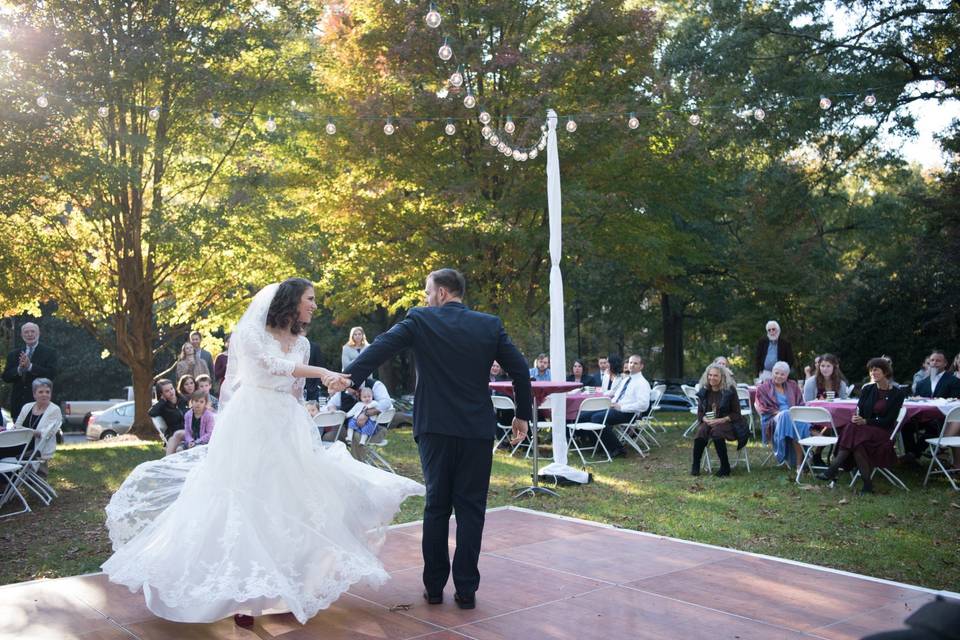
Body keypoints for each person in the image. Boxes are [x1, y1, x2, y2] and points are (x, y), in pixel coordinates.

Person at [102, 278, 424, 626]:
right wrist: (323, 372)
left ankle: (286, 586)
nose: (314, 306)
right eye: (310, 299)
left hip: (287, 424)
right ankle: (243, 596)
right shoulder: (251, 334)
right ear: (291, 301)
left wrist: (308, 414)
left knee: (289, 503)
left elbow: (296, 389)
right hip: (251, 422)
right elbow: (272, 366)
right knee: (245, 500)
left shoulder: (302, 343)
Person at [344, 268, 532, 611]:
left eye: (428, 292)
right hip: (476, 429)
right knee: (471, 509)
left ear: (442, 293)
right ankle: (466, 590)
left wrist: (348, 379)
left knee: (437, 507)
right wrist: (522, 414)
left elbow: (380, 348)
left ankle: (433, 588)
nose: (426, 299)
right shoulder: (489, 324)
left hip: (434, 427)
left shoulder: (420, 320)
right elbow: (520, 369)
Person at [817, 357, 906, 494]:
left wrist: (866, 421)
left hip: (882, 432)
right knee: (857, 439)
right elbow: (860, 411)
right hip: (864, 432)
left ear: (885, 372)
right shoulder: (868, 389)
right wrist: (858, 418)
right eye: (871, 370)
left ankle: (834, 468)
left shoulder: (897, 393)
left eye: (876, 370)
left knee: (853, 430)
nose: (873, 373)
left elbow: (889, 421)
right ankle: (867, 485)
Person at [582, 354, 651, 459]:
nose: (631, 365)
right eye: (630, 362)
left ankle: (617, 448)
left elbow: (643, 405)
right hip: (615, 408)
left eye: (635, 363)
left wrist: (621, 407)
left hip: (628, 413)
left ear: (641, 366)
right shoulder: (626, 380)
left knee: (597, 418)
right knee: (585, 415)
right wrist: (611, 404)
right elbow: (617, 396)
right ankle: (600, 445)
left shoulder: (642, 383)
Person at [691, 365, 746, 477]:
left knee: (716, 431)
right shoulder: (704, 391)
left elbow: (736, 414)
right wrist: (704, 418)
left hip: (729, 423)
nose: (712, 378)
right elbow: (700, 412)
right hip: (710, 421)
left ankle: (725, 467)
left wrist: (721, 420)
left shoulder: (729, 391)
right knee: (701, 431)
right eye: (710, 375)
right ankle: (695, 465)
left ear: (722, 377)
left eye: (715, 375)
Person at [2, 322, 58, 422]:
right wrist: (19, 369)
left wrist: (30, 367)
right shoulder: (14, 354)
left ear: (39, 333)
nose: (30, 334)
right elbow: (5, 377)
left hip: (40, 406)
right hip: (18, 406)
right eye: (26, 332)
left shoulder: (50, 352)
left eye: (33, 331)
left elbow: (51, 374)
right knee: (20, 436)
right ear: (22, 335)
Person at [9, 378, 62, 477]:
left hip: (36, 449)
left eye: (47, 392)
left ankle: (5, 485)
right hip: (20, 444)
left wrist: (26, 432)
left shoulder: (55, 410)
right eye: (40, 392)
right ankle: (5, 484)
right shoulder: (27, 407)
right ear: (34, 394)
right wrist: (29, 432)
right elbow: (16, 426)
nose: (44, 394)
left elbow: (47, 434)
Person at [754, 361, 804, 457]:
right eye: (776, 373)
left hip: (793, 416)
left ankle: (801, 459)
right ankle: (784, 453)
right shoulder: (763, 388)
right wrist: (783, 413)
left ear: (787, 376)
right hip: (773, 418)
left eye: (782, 374)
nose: (779, 376)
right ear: (772, 373)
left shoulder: (793, 385)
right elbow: (762, 408)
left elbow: (800, 403)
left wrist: (794, 414)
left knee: (802, 424)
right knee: (785, 415)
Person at [345, 386, 379, 460]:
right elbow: (352, 412)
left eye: (369, 396)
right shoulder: (358, 404)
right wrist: (346, 415)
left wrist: (368, 406)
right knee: (350, 423)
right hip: (357, 421)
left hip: (369, 421)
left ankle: (362, 441)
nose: (367, 398)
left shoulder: (373, 403)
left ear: (372, 396)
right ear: (360, 397)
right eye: (364, 397)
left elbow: (375, 404)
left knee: (367, 428)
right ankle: (349, 437)